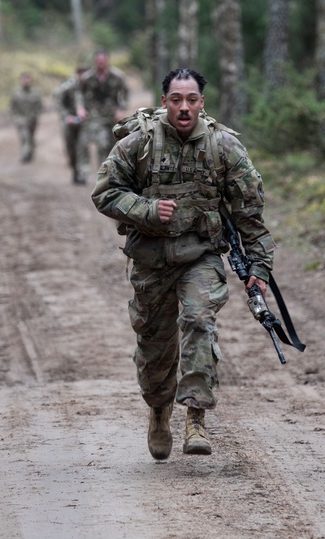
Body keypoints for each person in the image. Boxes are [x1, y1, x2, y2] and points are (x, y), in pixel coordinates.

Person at [91, 67, 276, 460]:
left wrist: (258, 270)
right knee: (155, 348)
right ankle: (159, 410)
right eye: (176, 99)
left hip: (201, 255)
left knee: (198, 320)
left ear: (202, 103)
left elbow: (250, 215)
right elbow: (105, 193)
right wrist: (145, 208)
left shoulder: (223, 147)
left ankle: (195, 415)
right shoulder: (138, 143)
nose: (184, 106)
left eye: (192, 99)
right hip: (151, 259)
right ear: (164, 103)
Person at [78, 50, 128, 173]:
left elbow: (125, 93)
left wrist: (121, 109)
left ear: (107, 60)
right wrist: (81, 108)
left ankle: (111, 170)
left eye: (103, 61)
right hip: (95, 115)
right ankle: (104, 173)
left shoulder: (117, 76)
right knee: (102, 143)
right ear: (95, 62)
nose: (101, 64)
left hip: (112, 115)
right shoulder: (87, 77)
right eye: (98, 61)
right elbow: (79, 93)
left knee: (112, 144)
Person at [53, 65, 89, 184]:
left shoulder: (90, 86)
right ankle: (75, 171)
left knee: (83, 146)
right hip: (69, 120)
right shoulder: (68, 86)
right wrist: (66, 115)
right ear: (77, 75)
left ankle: (83, 173)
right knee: (71, 147)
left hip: (84, 121)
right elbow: (57, 99)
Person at [10, 72, 43, 163]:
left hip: (32, 120)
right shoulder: (16, 93)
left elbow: (40, 106)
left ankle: (30, 154)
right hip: (21, 120)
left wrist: (36, 115)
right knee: (25, 137)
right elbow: (13, 107)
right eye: (24, 79)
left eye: (28, 79)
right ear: (21, 80)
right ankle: (24, 155)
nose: (26, 81)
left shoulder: (35, 92)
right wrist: (15, 118)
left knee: (30, 137)